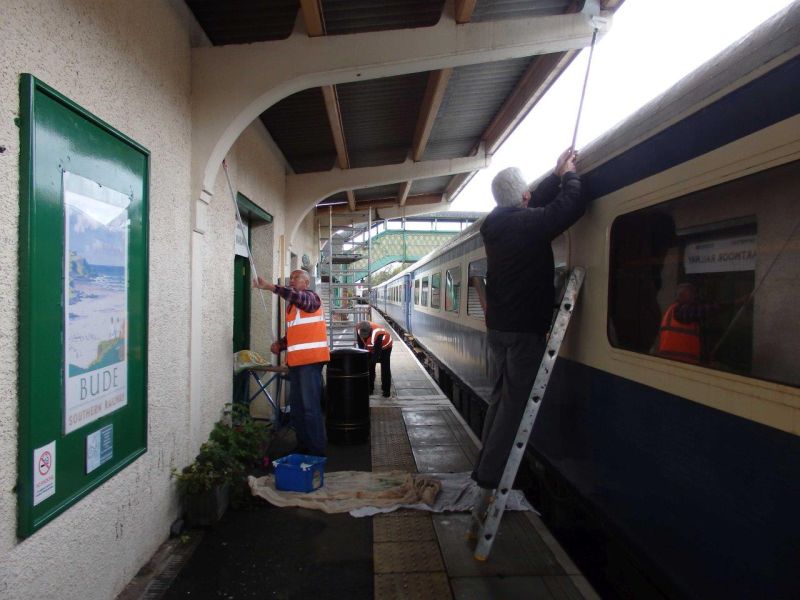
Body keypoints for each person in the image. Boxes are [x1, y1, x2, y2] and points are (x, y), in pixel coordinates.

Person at [471, 148, 587, 496]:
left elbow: (539, 204)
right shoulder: (525, 224)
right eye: (527, 196)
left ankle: (483, 466)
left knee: (498, 400)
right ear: (522, 197)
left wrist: (554, 175)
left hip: (499, 329)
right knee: (513, 405)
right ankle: (490, 475)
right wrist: (569, 176)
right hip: (523, 331)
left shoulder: (497, 223)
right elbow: (568, 207)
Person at [254, 269, 329, 456]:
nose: (292, 280)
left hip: (310, 363)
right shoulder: (294, 307)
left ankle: (316, 451)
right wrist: (280, 345)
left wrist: (270, 287)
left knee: (309, 408)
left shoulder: (311, 299)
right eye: (292, 278)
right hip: (297, 364)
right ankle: (303, 446)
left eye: (297, 278)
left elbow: (295, 296)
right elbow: (294, 335)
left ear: (306, 283)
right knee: (298, 409)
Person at [356, 320, 393, 397]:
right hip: (371, 347)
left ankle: (386, 390)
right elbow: (360, 344)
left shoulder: (378, 334)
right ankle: (370, 389)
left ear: (370, 331)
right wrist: (362, 356)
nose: (364, 337)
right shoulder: (358, 328)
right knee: (370, 367)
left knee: (385, 367)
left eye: (366, 335)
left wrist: (368, 364)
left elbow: (376, 355)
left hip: (385, 347)